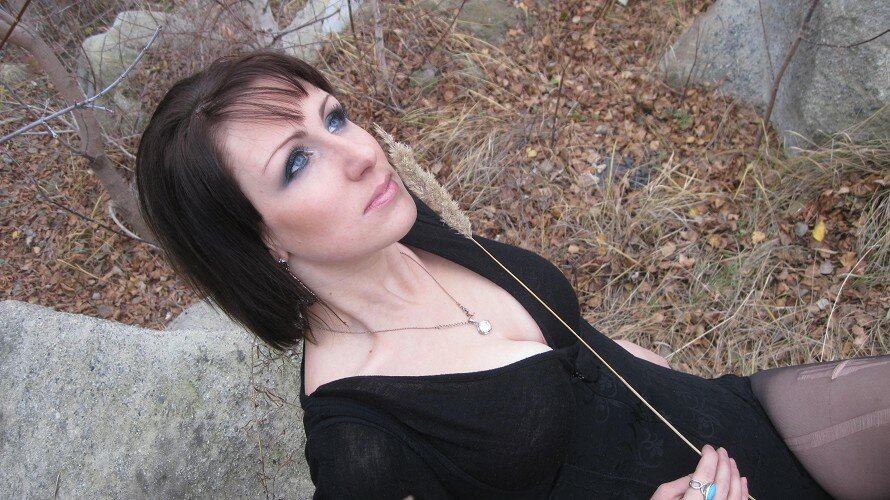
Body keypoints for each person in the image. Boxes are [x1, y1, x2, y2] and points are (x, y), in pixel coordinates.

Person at [135, 50, 890, 499]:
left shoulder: (409, 226)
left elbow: (574, 342)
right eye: (298, 163)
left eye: (334, 118)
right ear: (254, 240)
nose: (361, 153)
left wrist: (643, 361)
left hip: (730, 415)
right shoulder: (361, 443)